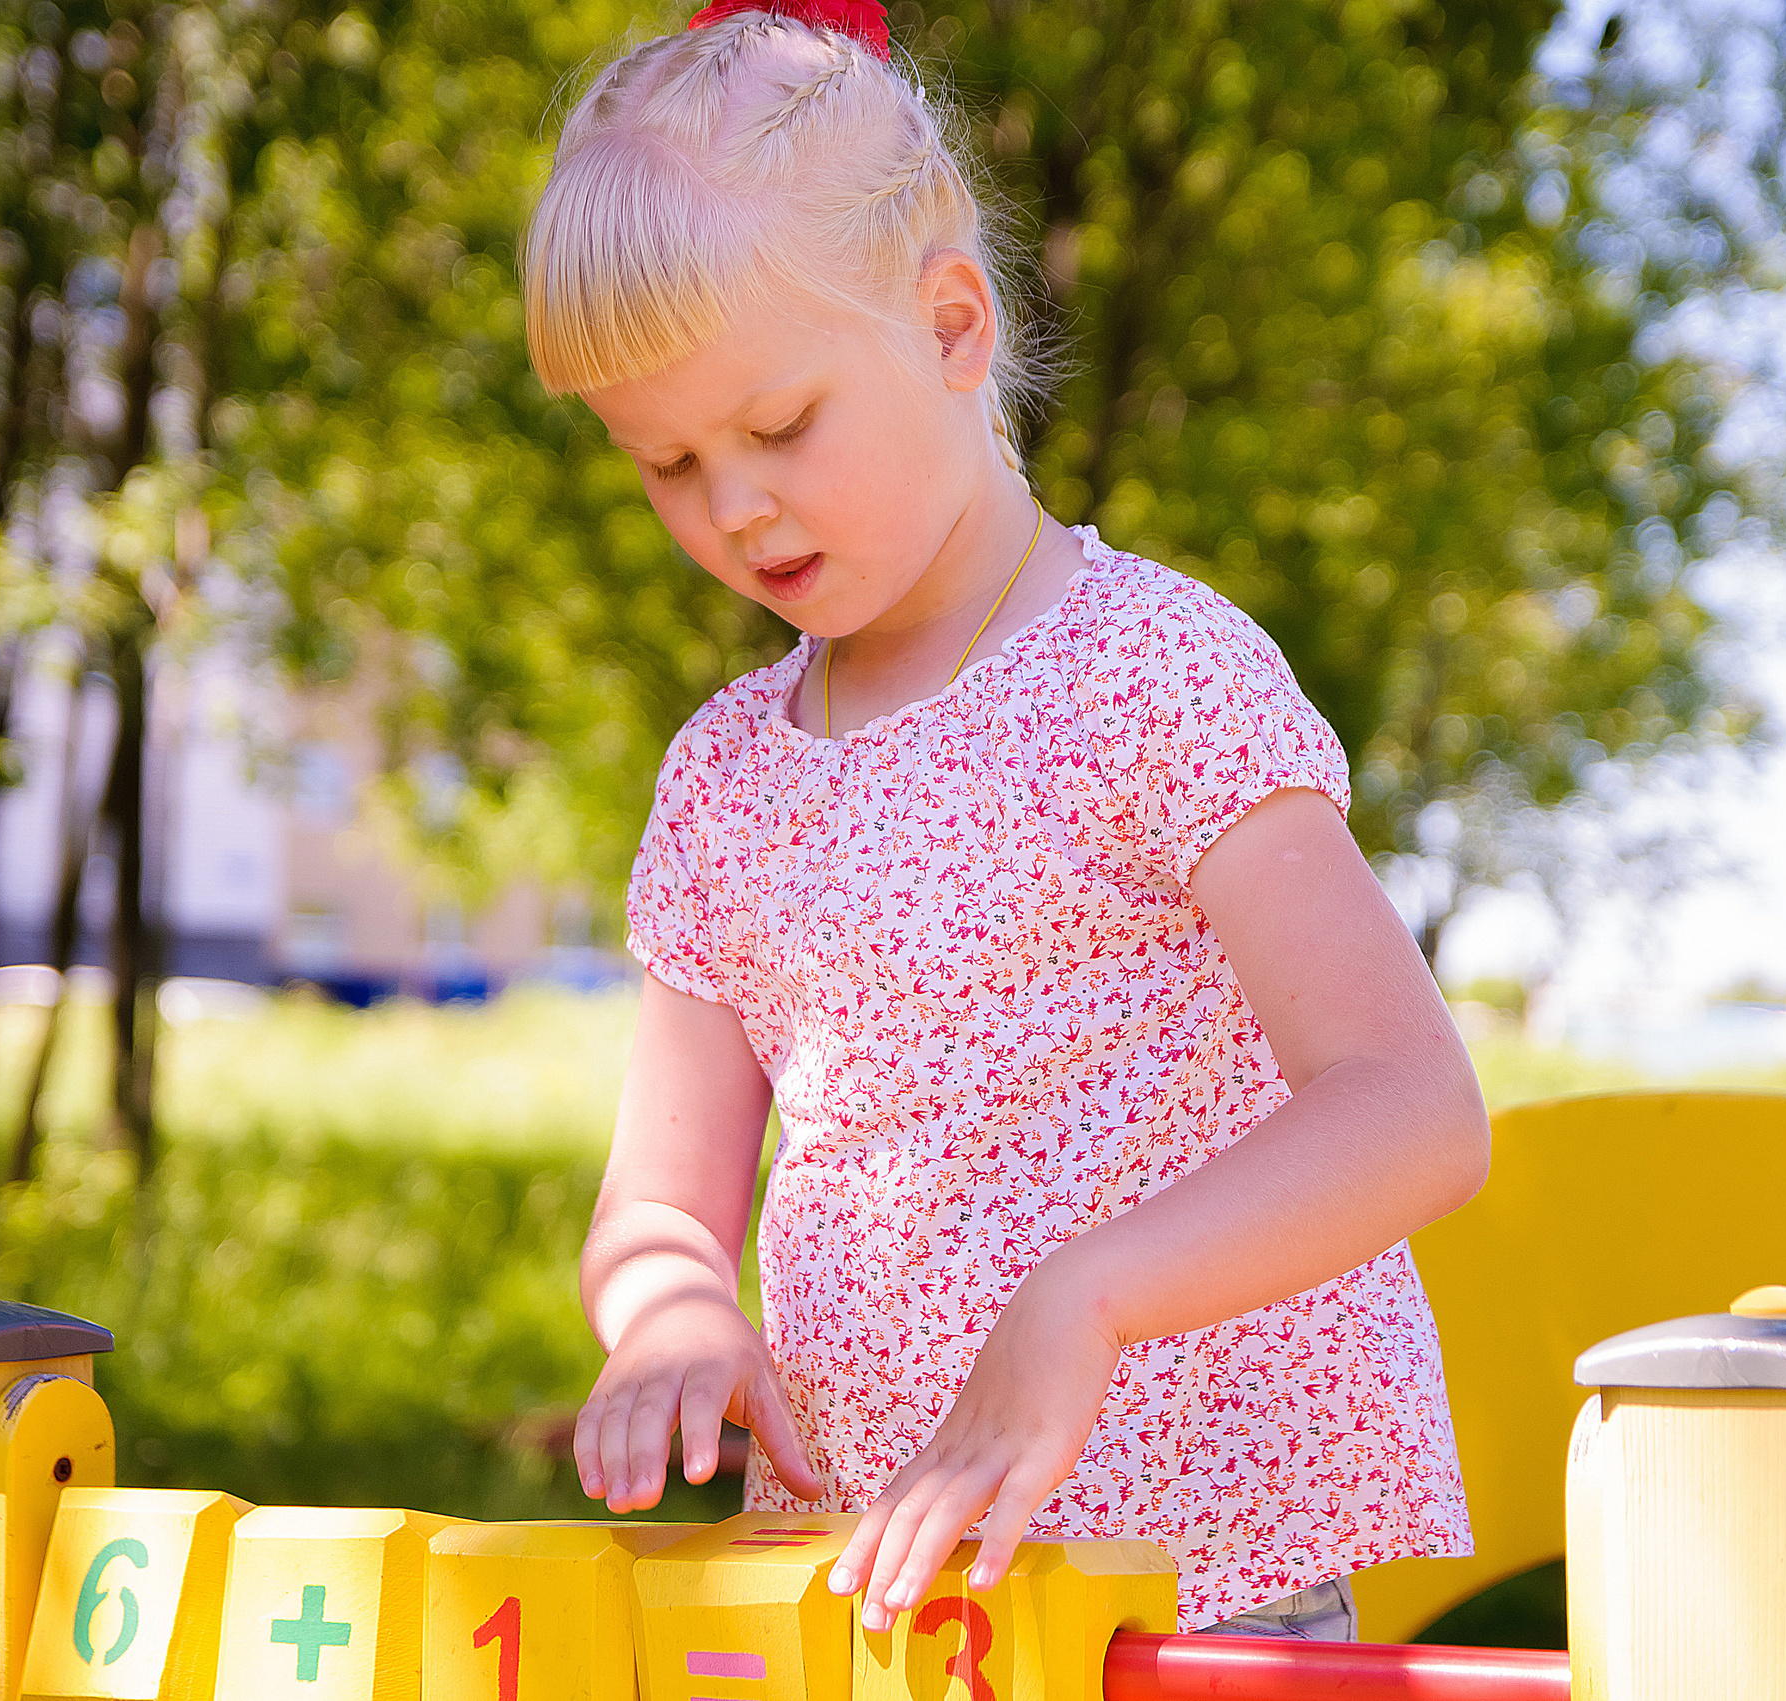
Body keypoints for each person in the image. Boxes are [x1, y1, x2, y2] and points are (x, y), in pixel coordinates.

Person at [521, 0, 1487, 1640]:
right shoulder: (725, 778)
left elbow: (1411, 1109)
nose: (732, 505)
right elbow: (662, 1200)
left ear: (955, 326)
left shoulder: (1150, 672)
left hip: (1193, 1600)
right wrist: (671, 1311)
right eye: (666, 460)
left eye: (778, 427)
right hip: (865, 1600)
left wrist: (1089, 1295)